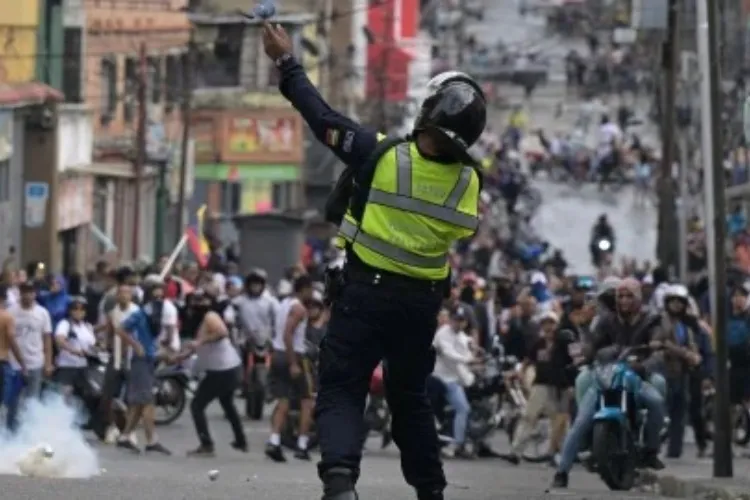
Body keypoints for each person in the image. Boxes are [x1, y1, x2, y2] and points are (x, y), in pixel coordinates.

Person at [261, 20, 484, 500]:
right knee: (410, 401)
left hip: (365, 294)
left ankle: (340, 483)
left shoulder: (381, 155)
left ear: (427, 110)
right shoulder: (469, 182)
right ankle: (431, 492)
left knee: (342, 387)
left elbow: (320, 117)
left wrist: (285, 60)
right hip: (420, 306)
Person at [552, 278, 667, 488]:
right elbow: (591, 347)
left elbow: (657, 350)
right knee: (580, 423)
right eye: (620, 296)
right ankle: (562, 471)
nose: (624, 301)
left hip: (636, 376)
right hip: (606, 376)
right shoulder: (607, 321)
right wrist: (584, 332)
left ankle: (651, 450)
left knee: (656, 401)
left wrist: (644, 364)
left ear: (638, 297)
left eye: (629, 296)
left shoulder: (651, 319)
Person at [175, 290, 247, 456]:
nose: (196, 306)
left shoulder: (210, 316)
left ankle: (206, 444)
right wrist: (179, 357)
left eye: (201, 301)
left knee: (196, 406)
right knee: (227, 405)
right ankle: (241, 440)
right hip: (226, 368)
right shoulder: (201, 323)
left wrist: (199, 341)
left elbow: (222, 332)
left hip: (223, 370)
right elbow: (198, 347)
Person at [501, 311, 574, 465]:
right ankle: (516, 452)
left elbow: (572, 361)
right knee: (528, 416)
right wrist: (520, 372)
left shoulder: (563, 342)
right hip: (540, 385)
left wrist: (570, 383)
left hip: (559, 387)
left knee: (560, 422)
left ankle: (560, 454)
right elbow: (529, 359)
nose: (548, 327)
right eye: (545, 323)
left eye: (551, 323)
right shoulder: (539, 343)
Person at [114, 289, 171, 455]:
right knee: (147, 402)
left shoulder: (155, 315)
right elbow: (120, 329)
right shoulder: (140, 313)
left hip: (149, 359)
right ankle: (152, 441)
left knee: (138, 404)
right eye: (155, 296)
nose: (158, 299)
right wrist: (135, 345)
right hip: (140, 361)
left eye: (161, 296)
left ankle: (124, 437)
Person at [266, 274, 316, 462]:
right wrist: (294, 362)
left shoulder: (283, 304)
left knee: (284, 400)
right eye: (310, 289)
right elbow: (288, 334)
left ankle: (274, 441)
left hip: (278, 354)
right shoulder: (299, 309)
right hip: (293, 355)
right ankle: (302, 446)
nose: (312, 293)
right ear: (304, 289)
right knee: (307, 401)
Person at [659, 284, 702, 458]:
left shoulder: (685, 324)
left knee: (680, 413)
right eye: (673, 301)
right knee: (664, 413)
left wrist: (694, 355)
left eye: (680, 302)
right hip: (665, 372)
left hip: (683, 373)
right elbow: (663, 343)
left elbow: (691, 343)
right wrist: (685, 353)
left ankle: (675, 451)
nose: (677, 305)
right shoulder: (661, 320)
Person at [6, 281, 53, 430]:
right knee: (12, 401)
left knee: (32, 401)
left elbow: (47, 338)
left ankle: (30, 432)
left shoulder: (42, 313)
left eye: (30, 292)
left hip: (35, 362)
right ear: (20, 293)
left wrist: (48, 362)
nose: (27, 295)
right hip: (14, 364)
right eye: (24, 292)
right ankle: (10, 432)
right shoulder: (11, 312)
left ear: (35, 293)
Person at [96, 283, 139, 444]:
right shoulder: (113, 312)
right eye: (120, 293)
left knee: (132, 397)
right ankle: (111, 426)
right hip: (115, 357)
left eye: (126, 293)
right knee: (108, 394)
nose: (123, 296)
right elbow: (109, 331)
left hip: (131, 357)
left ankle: (130, 430)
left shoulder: (136, 312)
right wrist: (106, 344)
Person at [432, 306, 475, 459]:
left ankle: (463, 441)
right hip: (440, 379)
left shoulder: (463, 338)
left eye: (461, 321)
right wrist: (468, 359)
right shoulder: (443, 333)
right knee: (463, 408)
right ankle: (455, 444)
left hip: (454, 378)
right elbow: (449, 354)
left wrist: (475, 363)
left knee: (466, 408)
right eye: (456, 320)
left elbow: (467, 356)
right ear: (451, 320)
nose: (458, 323)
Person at [54, 296, 96, 400]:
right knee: (64, 398)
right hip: (67, 367)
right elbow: (59, 340)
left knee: (83, 399)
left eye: (82, 309)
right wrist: (74, 351)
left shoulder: (88, 326)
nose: (78, 312)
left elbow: (92, 344)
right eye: (75, 309)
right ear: (70, 310)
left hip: (83, 368)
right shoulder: (65, 324)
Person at [0, 284, 25, 410]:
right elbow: (12, 341)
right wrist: (22, 363)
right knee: (7, 401)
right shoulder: (7, 317)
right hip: (2, 362)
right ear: (3, 299)